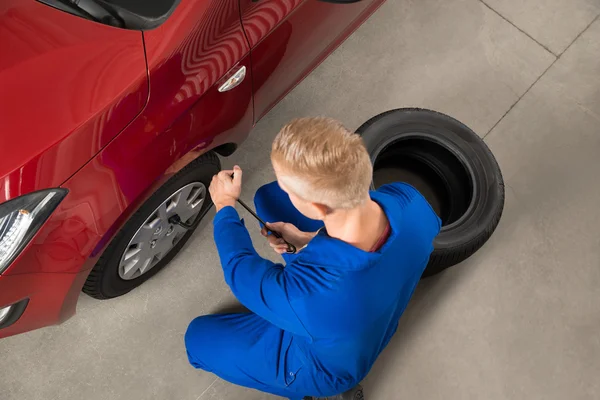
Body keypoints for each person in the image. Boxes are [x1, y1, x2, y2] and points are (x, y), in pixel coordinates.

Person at [184, 117, 441, 400]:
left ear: (317, 206)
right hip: (365, 312)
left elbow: (240, 271)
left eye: (287, 186)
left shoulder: (306, 296)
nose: (282, 188)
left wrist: (224, 206)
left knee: (197, 339)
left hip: (322, 366)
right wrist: (309, 240)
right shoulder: (411, 201)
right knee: (268, 199)